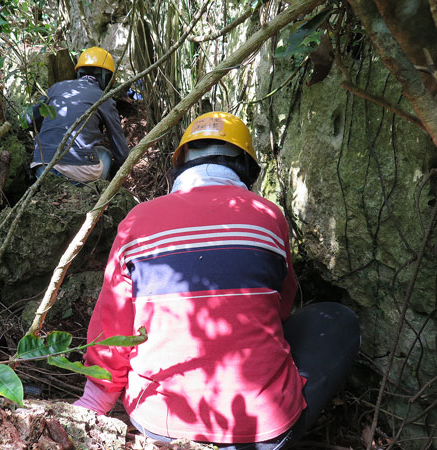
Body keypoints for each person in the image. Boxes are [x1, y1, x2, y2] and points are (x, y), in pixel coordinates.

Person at [74, 111, 361, 449]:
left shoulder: (137, 221)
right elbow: (282, 307)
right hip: (261, 431)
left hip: (157, 422)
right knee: (336, 319)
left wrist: (94, 403)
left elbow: (113, 328)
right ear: (246, 167)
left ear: (179, 166)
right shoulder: (269, 216)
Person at [30, 46, 130, 183]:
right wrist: (116, 175)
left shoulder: (56, 88)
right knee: (105, 153)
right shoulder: (104, 98)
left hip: (42, 167)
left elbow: (29, 119)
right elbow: (121, 152)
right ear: (107, 78)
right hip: (80, 172)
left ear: (79, 73)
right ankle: (96, 191)